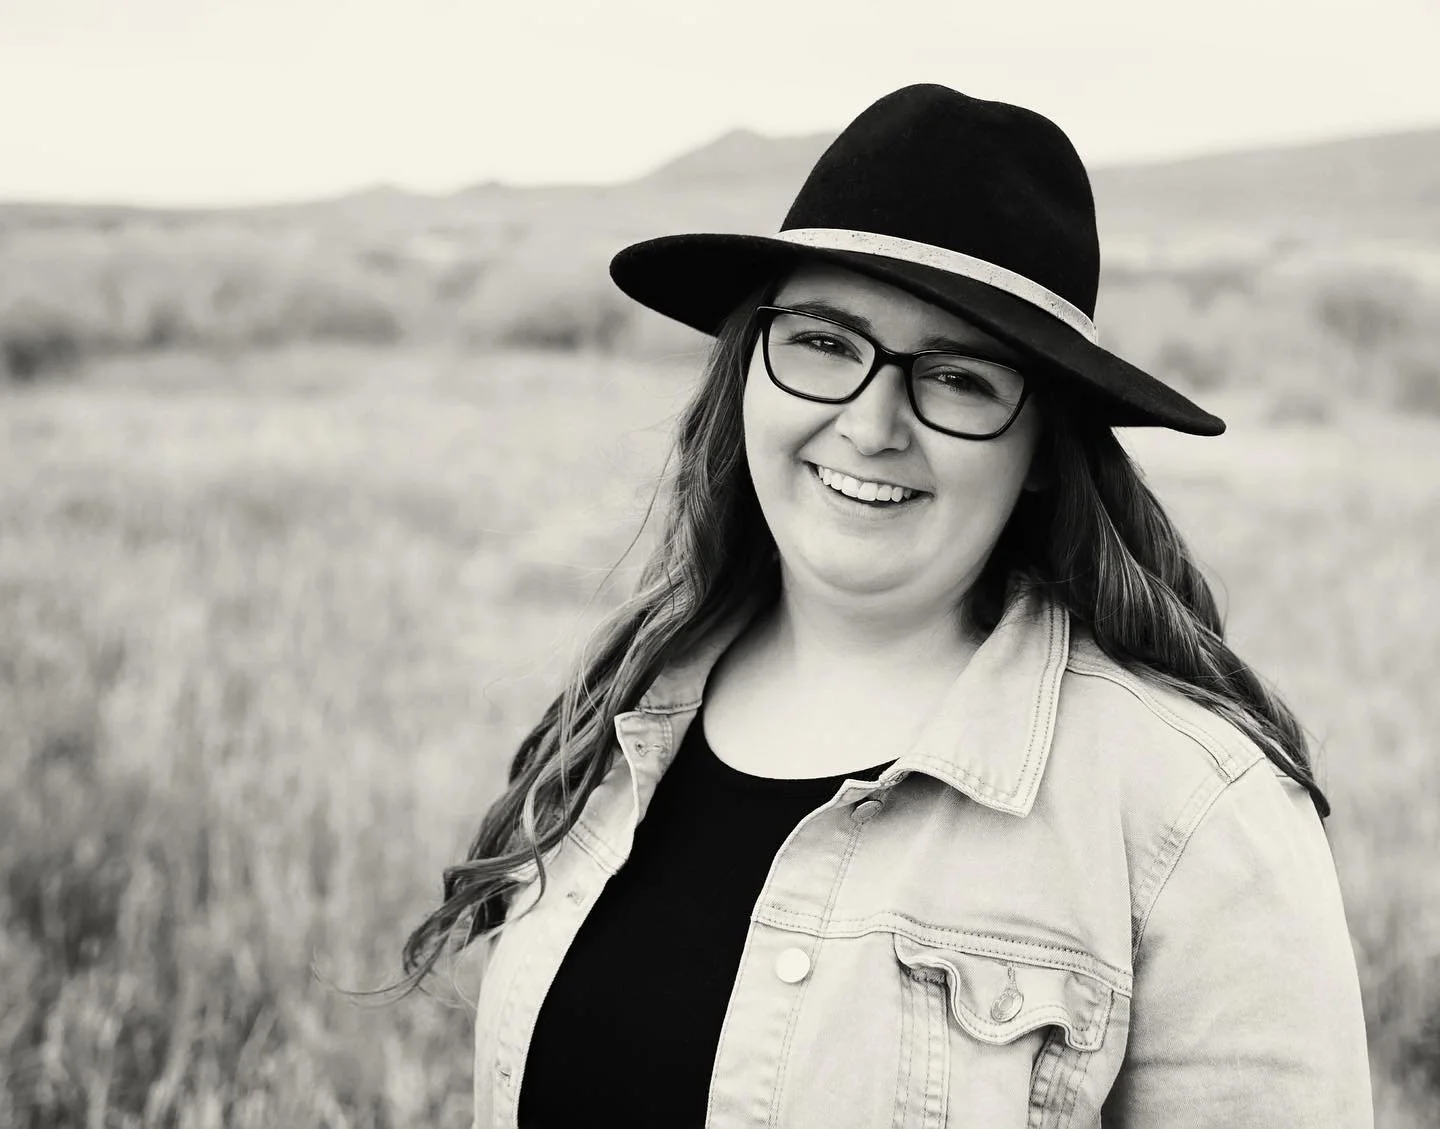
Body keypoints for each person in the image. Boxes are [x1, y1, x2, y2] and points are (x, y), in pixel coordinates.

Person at [404, 84, 1373, 1127]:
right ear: (748, 374)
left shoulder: (1193, 815)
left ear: (1044, 446)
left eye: (956, 377)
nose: (871, 424)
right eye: (823, 342)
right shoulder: (617, 716)